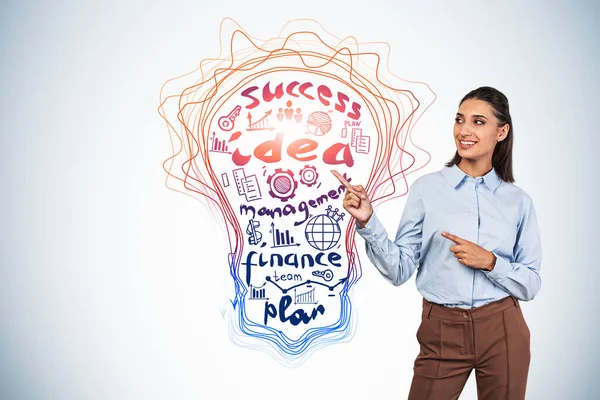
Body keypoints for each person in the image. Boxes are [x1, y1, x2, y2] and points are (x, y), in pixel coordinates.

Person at [332, 86, 542, 400]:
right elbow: (399, 270)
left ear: (502, 131)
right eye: (460, 120)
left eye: (478, 122)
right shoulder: (426, 190)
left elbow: (531, 284)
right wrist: (367, 222)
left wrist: (490, 262)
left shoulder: (518, 201)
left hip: (503, 328)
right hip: (442, 330)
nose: (465, 130)